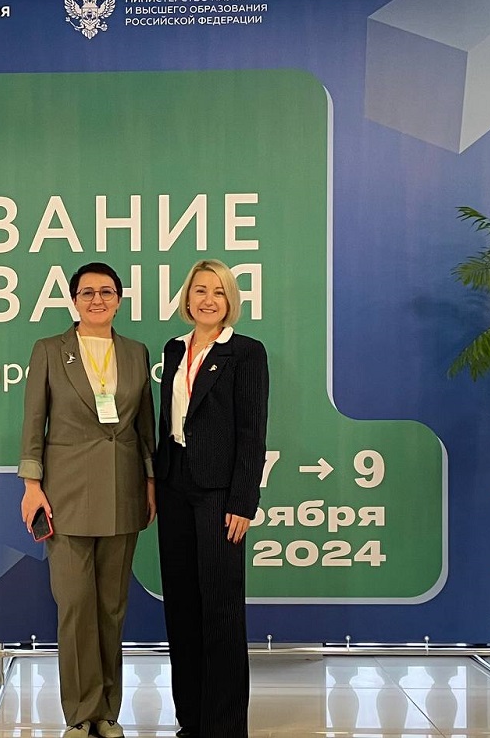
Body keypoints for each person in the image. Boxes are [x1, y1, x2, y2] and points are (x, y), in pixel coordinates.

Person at [19, 262, 157, 738]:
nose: (97, 300)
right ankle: (80, 713)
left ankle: (107, 712)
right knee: (76, 607)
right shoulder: (49, 350)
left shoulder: (136, 352)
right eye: (87, 293)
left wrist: (151, 480)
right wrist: (31, 484)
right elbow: (33, 421)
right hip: (66, 495)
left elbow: (145, 426)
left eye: (106, 292)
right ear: (74, 300)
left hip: (124, 492)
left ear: (119, 299)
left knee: (111, 609)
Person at [155, 259, 269, 738]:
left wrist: (243, 501)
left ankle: (223, 727)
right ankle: (192, 720)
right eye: (200, 290)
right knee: (181, 608)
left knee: (220, 610)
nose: (208, 300)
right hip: (174, 486)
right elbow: (167, 422)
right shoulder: (174, 349)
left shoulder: (246, 352)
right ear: (187, 297)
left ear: (230, 301)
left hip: (220, 493)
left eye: (218, 292)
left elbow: (252, 432)